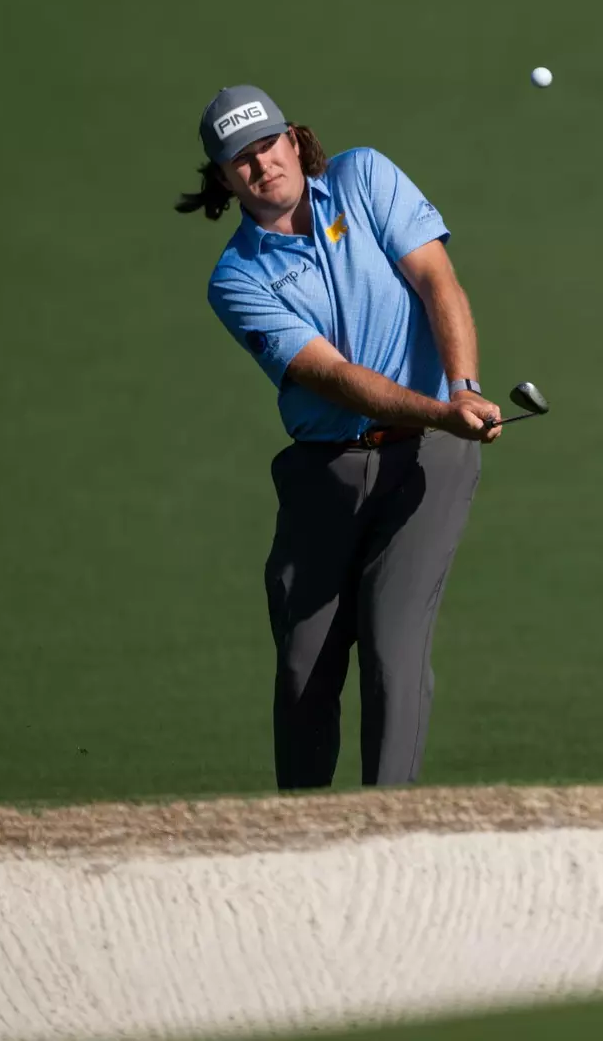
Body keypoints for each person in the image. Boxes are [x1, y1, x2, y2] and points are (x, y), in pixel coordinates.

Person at [176, 84, 501, 790]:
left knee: (392, 646)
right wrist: (441, 410)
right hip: (325, 470)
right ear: (224, 180)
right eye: (242, 161)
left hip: (428, 460)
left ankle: (385, 830)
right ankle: (304, 842)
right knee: (303, 666)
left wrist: (463, 390)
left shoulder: (364, 177)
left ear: (293, 140)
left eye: (268, 146)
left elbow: (437, 281)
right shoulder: (236, 278)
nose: (263, 167)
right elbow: (334, 378)